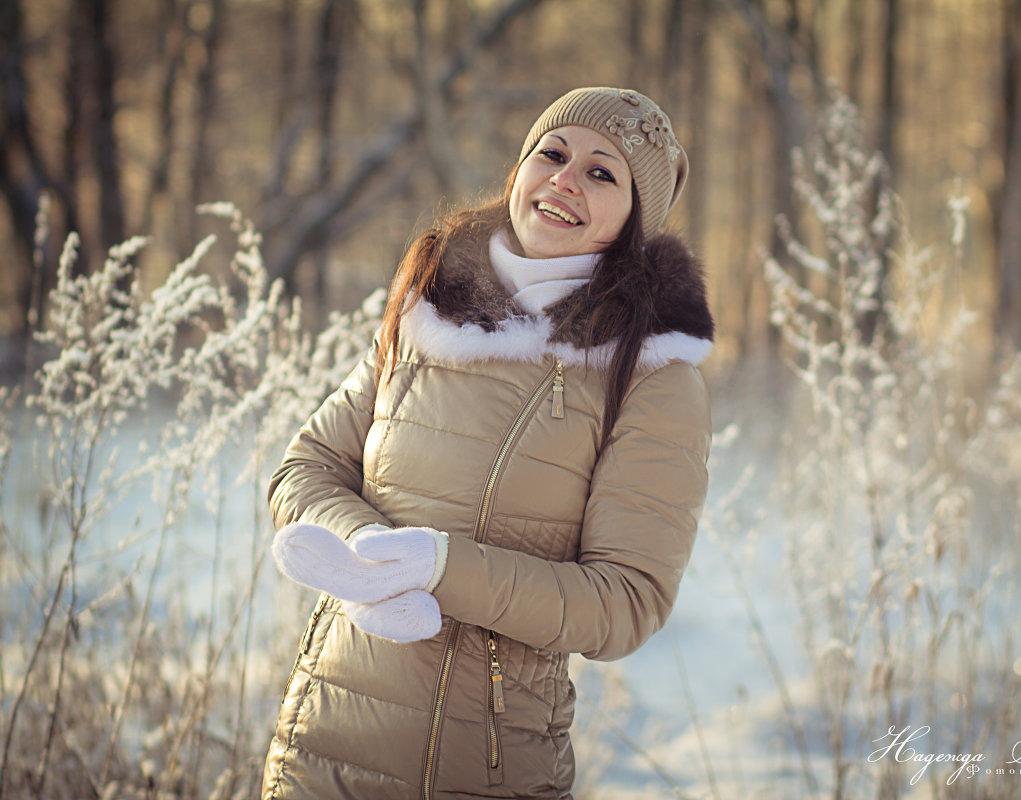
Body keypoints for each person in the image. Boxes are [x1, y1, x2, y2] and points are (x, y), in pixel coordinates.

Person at [261, 86, 714, 799]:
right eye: (553, 152)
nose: (566, 179)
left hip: (484, 771)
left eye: (603, 173)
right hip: (320, 752)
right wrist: (368, 558)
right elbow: (305, 468)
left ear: (634, 218)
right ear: (520, 170)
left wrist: (438, 567)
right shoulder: (430, 304)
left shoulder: (653, 376)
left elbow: (625, 602)